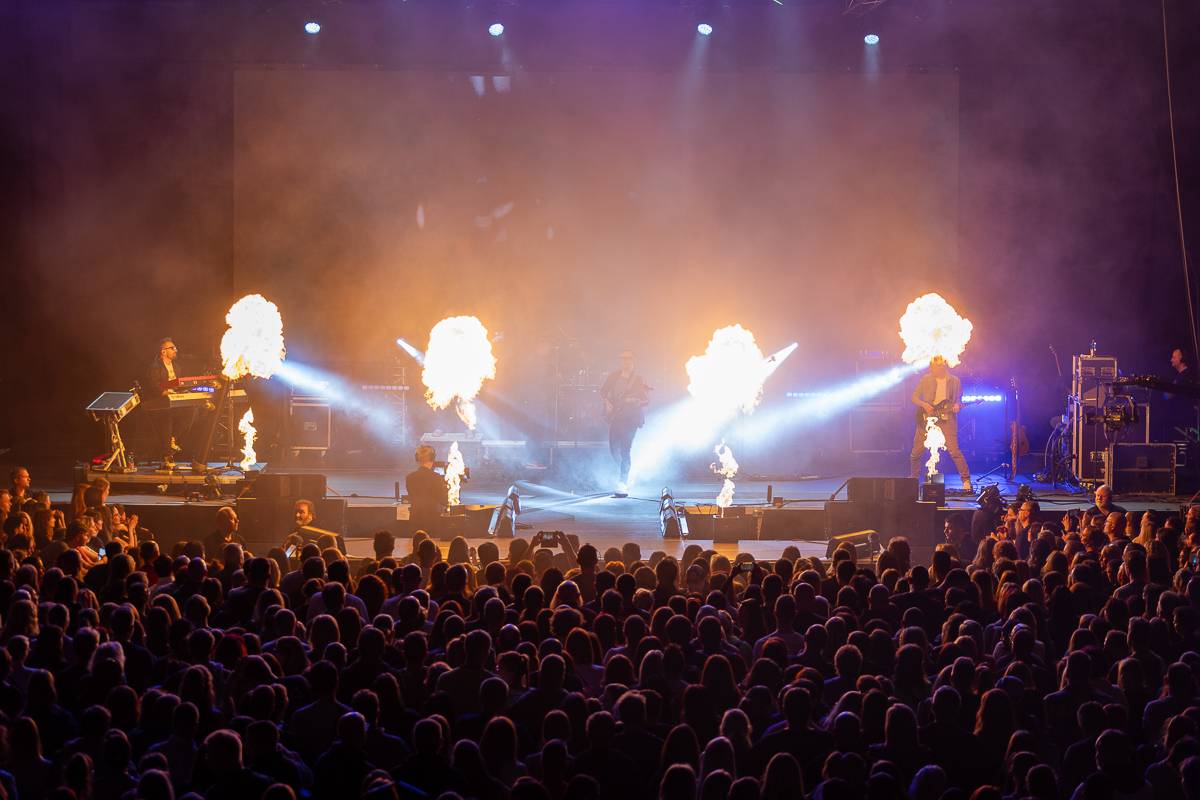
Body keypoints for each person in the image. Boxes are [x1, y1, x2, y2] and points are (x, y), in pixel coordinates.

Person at [909, 356, 972, 492]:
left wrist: (957, 406)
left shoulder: (955, 381)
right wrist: (924, 404)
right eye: (931, 366)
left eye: (935, 366)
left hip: (947, 419)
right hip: (926, 418)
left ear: (943, 365)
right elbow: (914, 397)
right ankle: (913, 479)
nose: (932, 368)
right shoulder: (926, 379)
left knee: (954, 451)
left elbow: (958, 401)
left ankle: (966, 481)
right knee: (916, 453)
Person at [599, 350, 649, 497]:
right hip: (616, 417)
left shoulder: (639, 379)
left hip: (631, 419)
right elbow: (603, 392)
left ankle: (623, 483)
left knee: (625, 450)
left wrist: (634, 401)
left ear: (633, 360)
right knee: (613, 448)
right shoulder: (613, 376)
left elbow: (646, 400)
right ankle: (624, 472)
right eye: (623, 359)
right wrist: (607, 403)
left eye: (628, 359)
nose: (625, 361)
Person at [145, 337, 194, 466]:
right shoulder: (155, 367)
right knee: (166, 418)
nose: (175, 350)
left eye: (175, 348)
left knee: (191, 411)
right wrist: (166, 393)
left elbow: (180, 384)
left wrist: (183, 392)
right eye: (172, 348)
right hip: (160, 401)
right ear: (163, 351)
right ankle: (167, 455)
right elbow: (153, 386)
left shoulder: (177, 367)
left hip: (175, 400)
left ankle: (173, 439)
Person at [406, 444, 448, 535]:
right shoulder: (437, 478)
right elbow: (443, 500)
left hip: (415, 520)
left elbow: (412, 496)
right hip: (432, 521)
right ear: (432, 459)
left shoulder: (409, 477)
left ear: (417, 459)